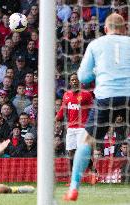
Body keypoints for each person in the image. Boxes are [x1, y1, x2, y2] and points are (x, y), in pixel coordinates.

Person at [63, 13, 130, 201]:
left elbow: (83, 78)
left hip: (106, 97)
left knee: (86, 141)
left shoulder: (95, 45)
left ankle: (74, 188)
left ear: (105, 29)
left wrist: (97, 70)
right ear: (124, 29)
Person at [55, 73, 93, 185]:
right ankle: (73, 179)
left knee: (81, 152)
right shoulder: (66, 95)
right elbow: (63, 109)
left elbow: (92, 109)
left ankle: (92, 171)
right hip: (71, 128)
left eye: (76, 79)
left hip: (82, 127)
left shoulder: (86, 94)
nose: (74, 81)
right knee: (71, 152)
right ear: (70, 82)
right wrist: (57, 118)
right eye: (72, 80)